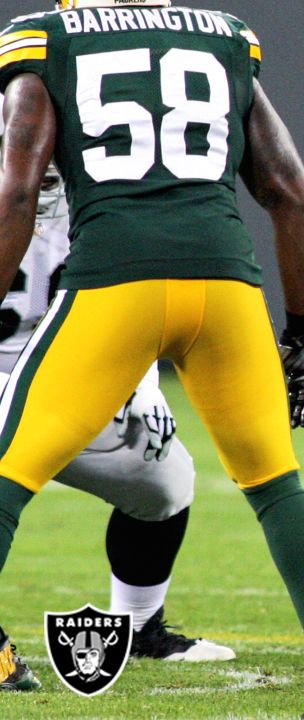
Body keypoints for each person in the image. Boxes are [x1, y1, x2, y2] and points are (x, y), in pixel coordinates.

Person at [0, 2, 304, 717]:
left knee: (10, 476)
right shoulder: (223, 35)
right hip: (226, 281)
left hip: (118, 280)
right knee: (277, 486)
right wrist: (299, 337)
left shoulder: (48, 36)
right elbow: (295, 200)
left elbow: (18, 191)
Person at [0, 158, 236, 692]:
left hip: (72, 382)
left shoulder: (108, 195)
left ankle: (137, 625)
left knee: (165, 480)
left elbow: (136, 296)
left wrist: (142, 382)